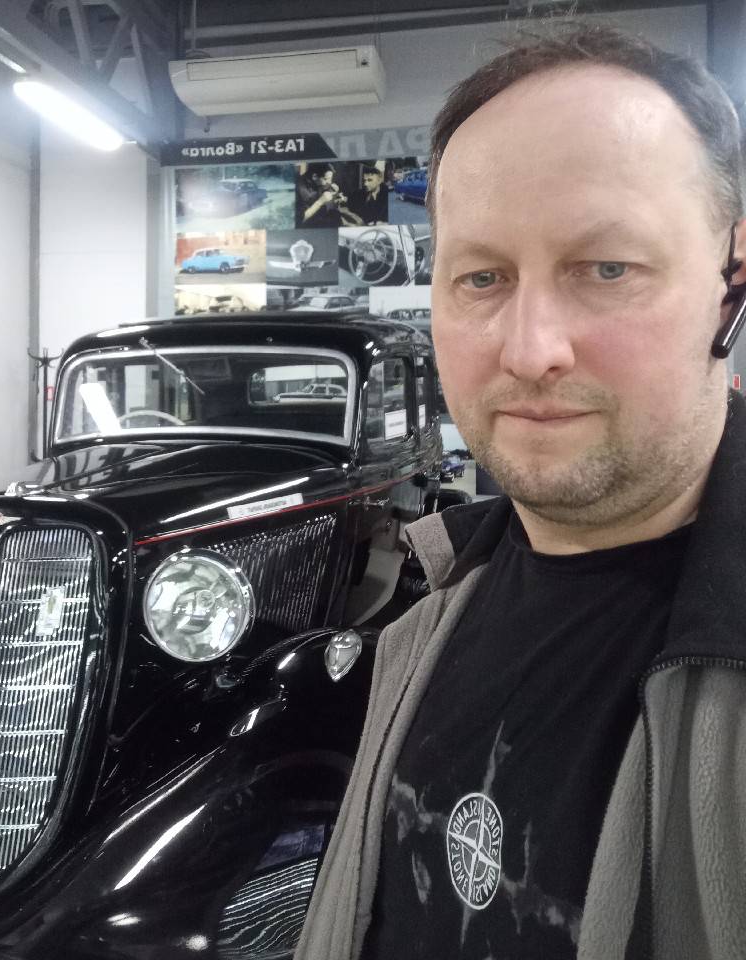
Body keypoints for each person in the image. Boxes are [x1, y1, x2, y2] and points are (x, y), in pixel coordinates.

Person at [295, 22, 746, 960]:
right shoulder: (432, 605)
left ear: (731, 280)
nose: (532, 349)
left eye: (607, 268)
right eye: (482, 277)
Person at [296, 162, 347, 227]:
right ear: (314, 177)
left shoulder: (316, 182)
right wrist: (320, 201)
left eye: (330, 179)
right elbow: (300, 220)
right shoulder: (299, 188)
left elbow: (320, 189)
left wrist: (334, 193)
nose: (330, 182)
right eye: (326, 179)